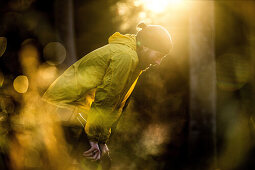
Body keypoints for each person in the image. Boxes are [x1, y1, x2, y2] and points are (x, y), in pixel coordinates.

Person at [42, 22, 172, 168]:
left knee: (97, 162)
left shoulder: (132, 58)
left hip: (71, 114)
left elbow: (114, 105)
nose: (158, 62)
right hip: (61, 113)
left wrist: (101, 140)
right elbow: (106, 99)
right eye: (158, 55)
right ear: (145, 46)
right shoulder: (125, 57)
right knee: (93, 164)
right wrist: (93, 138)